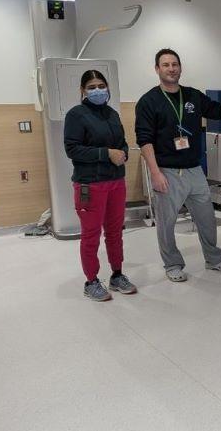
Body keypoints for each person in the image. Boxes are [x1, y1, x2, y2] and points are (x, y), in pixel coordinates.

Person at [135, 48, 221, 282]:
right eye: (165, 65)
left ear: (180, 67)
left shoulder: (192, 96)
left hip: (194, 169)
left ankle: (214, 259)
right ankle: (173, 264)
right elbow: (144, 140)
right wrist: (155, 173)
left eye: (175, 64)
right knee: (167, 223)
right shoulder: (149, 101)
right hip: (167, 170)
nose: (171, 68)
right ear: (157, 69)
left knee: (206, 217)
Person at [64, 70, 137, 301]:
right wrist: (106, 154)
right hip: (90, 185)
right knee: (91, 234)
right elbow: (72, 149)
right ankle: (91, 281)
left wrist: (123, 153)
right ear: (83, 91)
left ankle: (117, 275)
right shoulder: (76, 115)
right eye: (92, 87)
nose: (98, 90)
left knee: (115, 232)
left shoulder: (112, 113)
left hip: (115, 182)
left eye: (101, 86)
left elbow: (122, 143)